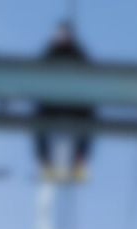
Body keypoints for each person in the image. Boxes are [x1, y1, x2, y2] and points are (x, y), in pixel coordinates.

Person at [33, 20, 97, 180]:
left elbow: (89, 75)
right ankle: (45, 163)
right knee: (38, 124)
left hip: (73, 103)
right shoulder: (51, 52)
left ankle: (79, 162)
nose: (64, 37)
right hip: (53, 102)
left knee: (88, 122)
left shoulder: (78, 53)